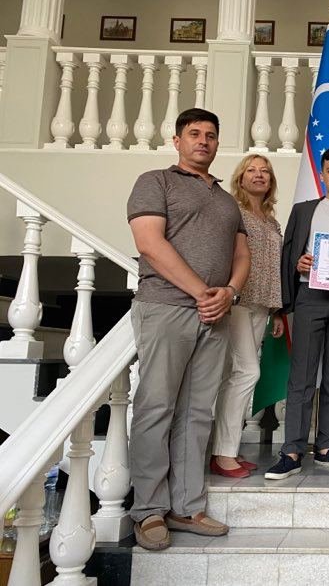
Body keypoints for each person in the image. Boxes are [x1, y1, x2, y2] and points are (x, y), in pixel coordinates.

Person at [126, 108, 250, 551]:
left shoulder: (227, 200)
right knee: (156, 407)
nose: (203, 140)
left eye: (211, 135)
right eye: (194, 133)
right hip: (166, 307)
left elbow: (242, 256)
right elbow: (148, 242)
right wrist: (202, 292)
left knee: (198, 413)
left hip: (215, 315)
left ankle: (187, 507)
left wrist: (229, 293)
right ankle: (148, 510)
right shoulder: (155, 182)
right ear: (177, 140)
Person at [265, 147, 329, 480]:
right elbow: (289, 255)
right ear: (322, 175)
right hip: (311, 295)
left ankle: (326, 447)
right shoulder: (304, 210)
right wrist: (298, 264)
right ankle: (291, 451)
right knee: (302, 376)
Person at [211, 154, 284, 479]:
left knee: (236, 375)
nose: (259, 175)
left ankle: (227, 448)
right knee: (247, 373)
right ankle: (223, 454)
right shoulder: (233, 212)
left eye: (264, 171)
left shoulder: (271, 221)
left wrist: (277, 312)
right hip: (238, 301)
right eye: (251, 170)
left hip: (263, 304)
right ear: (240, 178)